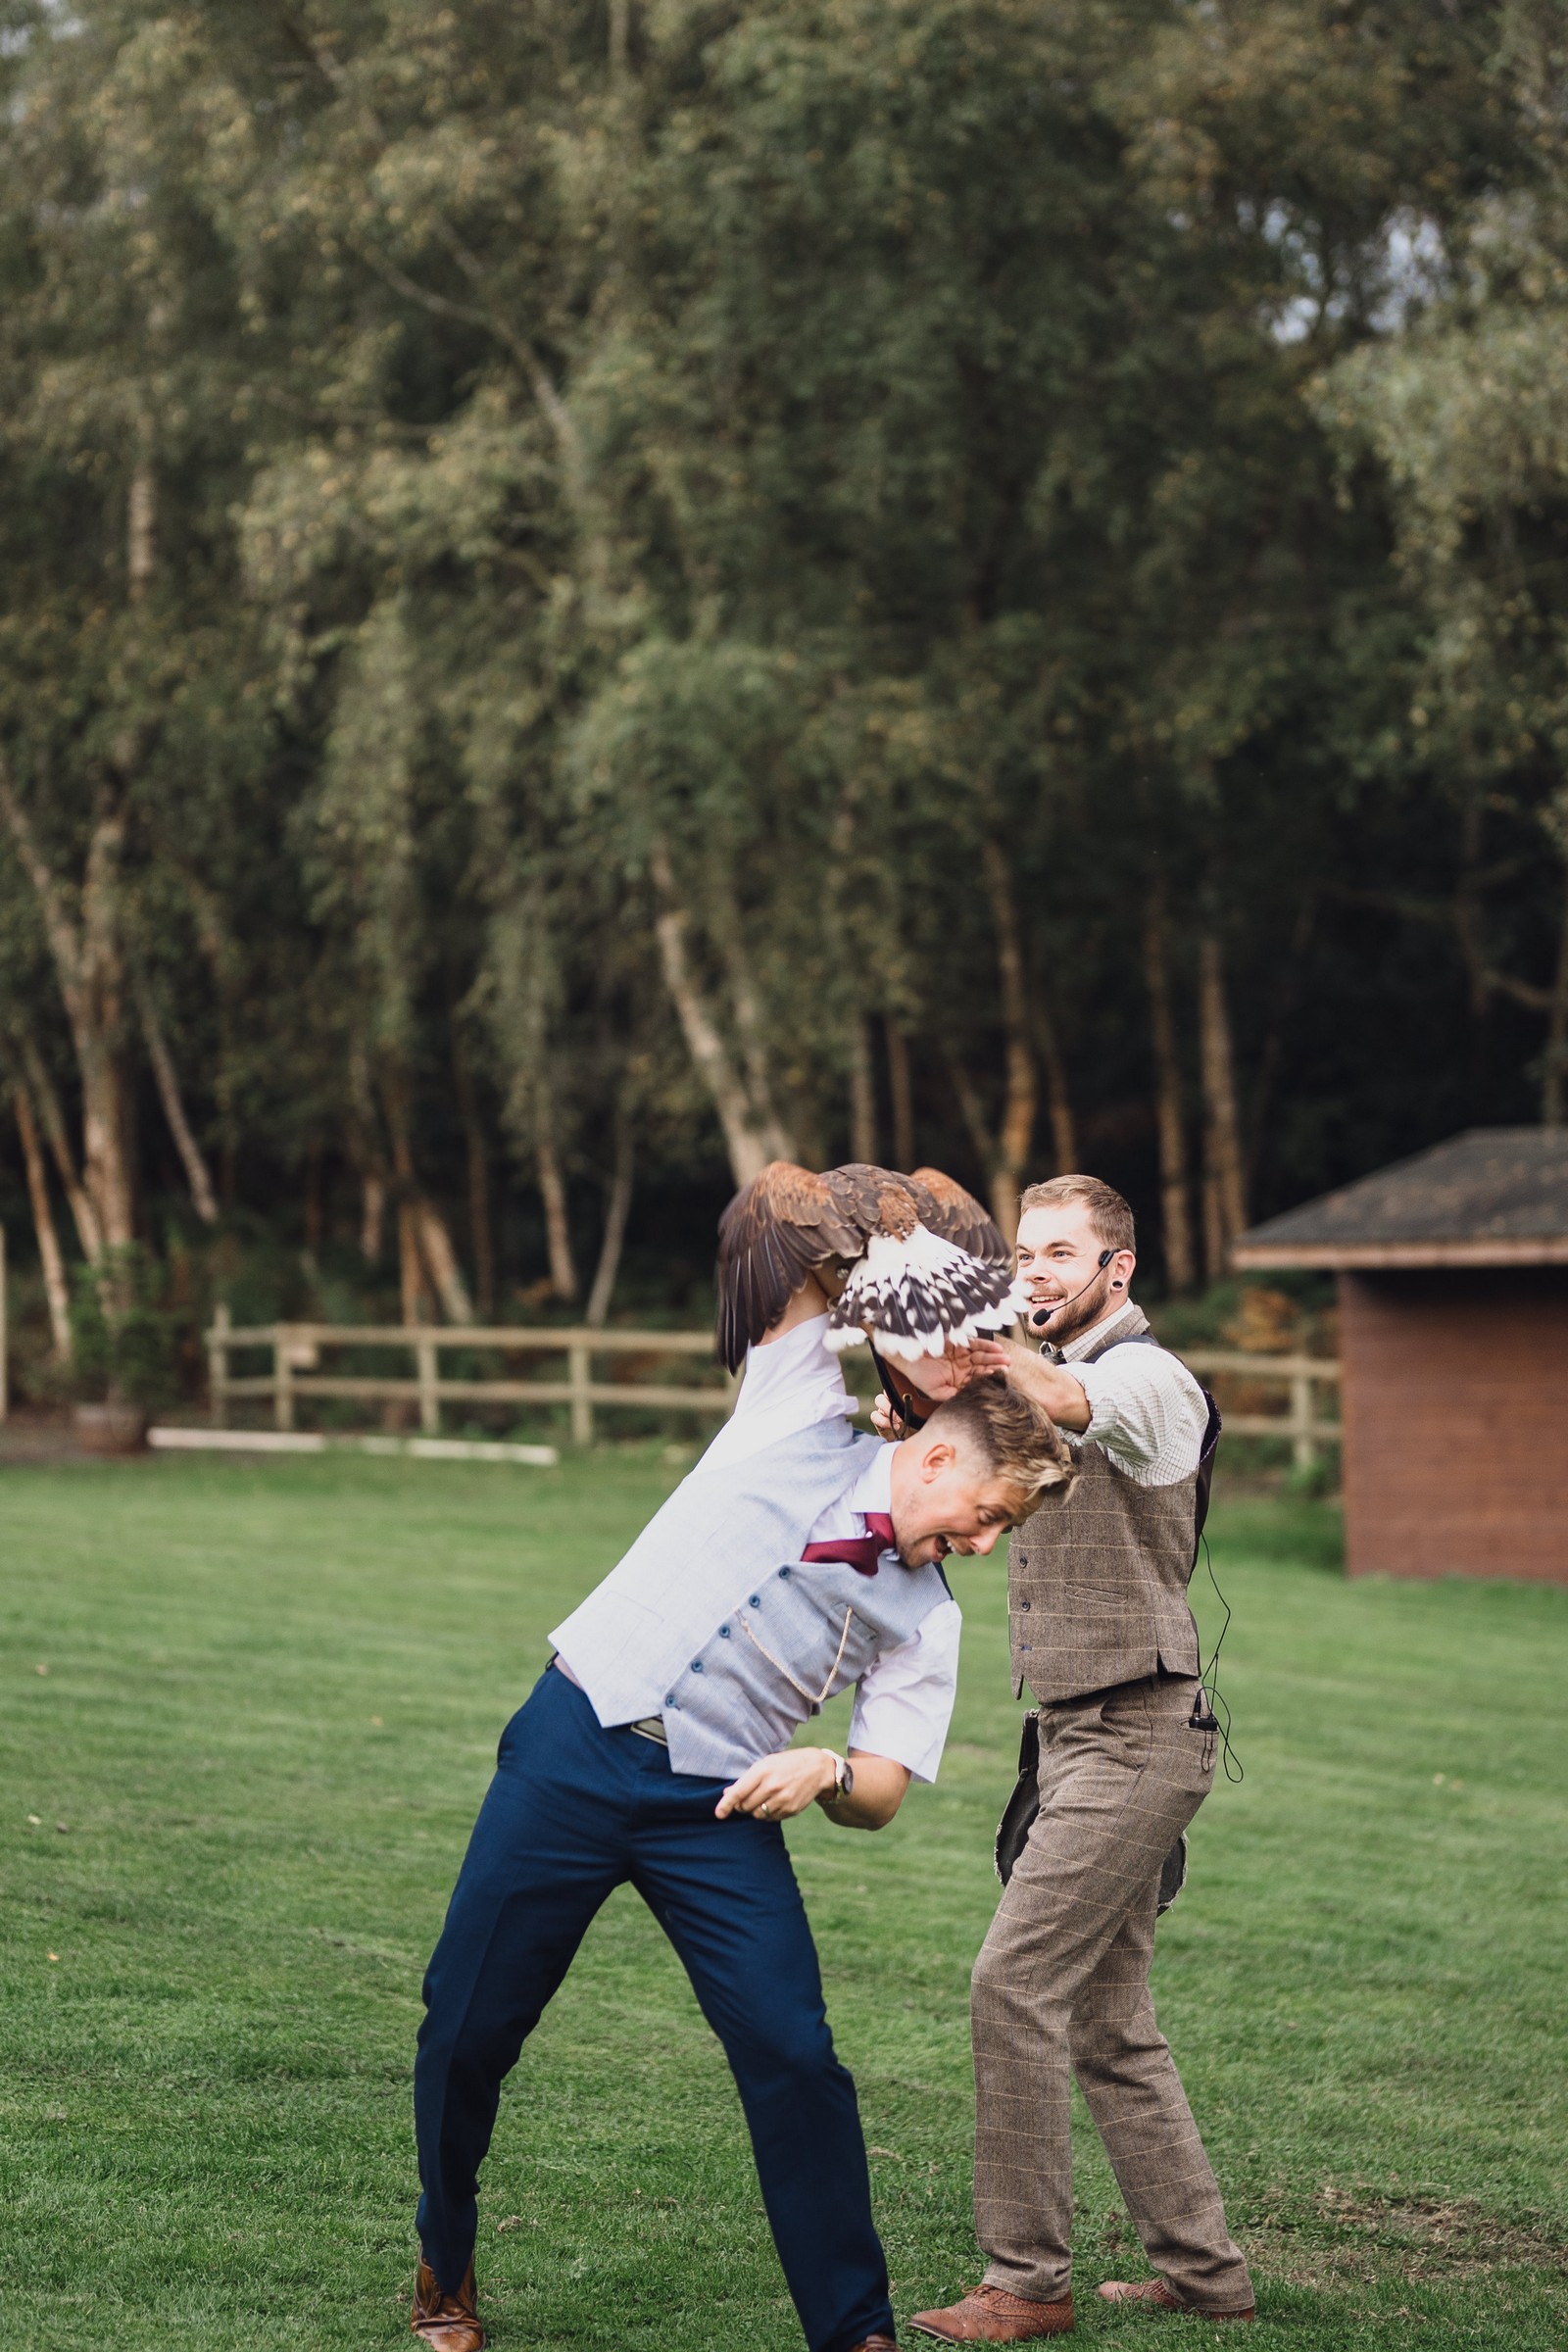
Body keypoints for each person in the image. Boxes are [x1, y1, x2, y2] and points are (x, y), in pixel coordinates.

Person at [411, 1272, 1075, 2352]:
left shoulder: (927, 1621)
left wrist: (822, 1770)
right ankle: (445, 2261)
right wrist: (900, 1263)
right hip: (570, 1750)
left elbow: (882, 1795)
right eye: (988, 1517)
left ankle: (854, 2331)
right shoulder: (796, 1422)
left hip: (713, 1811)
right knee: (466, 2024)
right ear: (940, 1454)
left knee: (794, 2055)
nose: (984, 1544)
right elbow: (790, 1252)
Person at [910, 1175, 1255, 2341]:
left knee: (1011, 1986)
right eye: (1023, 1251)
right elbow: (956, 1442)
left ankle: (1026, 2282)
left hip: (1141, 1733)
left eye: (1063, 1252)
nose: (1038, 1269)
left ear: (1121, 1269)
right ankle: (1207, 2276)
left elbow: (1062, 1394)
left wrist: (984, 1343)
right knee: (1111, 2024)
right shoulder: (1032, 1371)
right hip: (1068, 1735)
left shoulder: (1146, 1379)